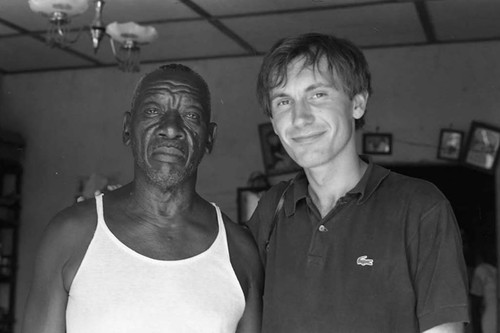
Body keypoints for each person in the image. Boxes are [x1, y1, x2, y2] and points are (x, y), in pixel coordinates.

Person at [247, 32, 470, 332]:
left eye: (318, 95)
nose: (300, 118)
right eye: (284, 101)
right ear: (274, 122)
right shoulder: (272, 209)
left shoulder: (420, 207)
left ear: (357, 104)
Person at [22, 64, 263, 333]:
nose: (171, 128)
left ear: (210, 138)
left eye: (191, 115)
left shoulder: (239, 251)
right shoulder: (71, 233)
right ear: (127, 129)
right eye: (152, 111)